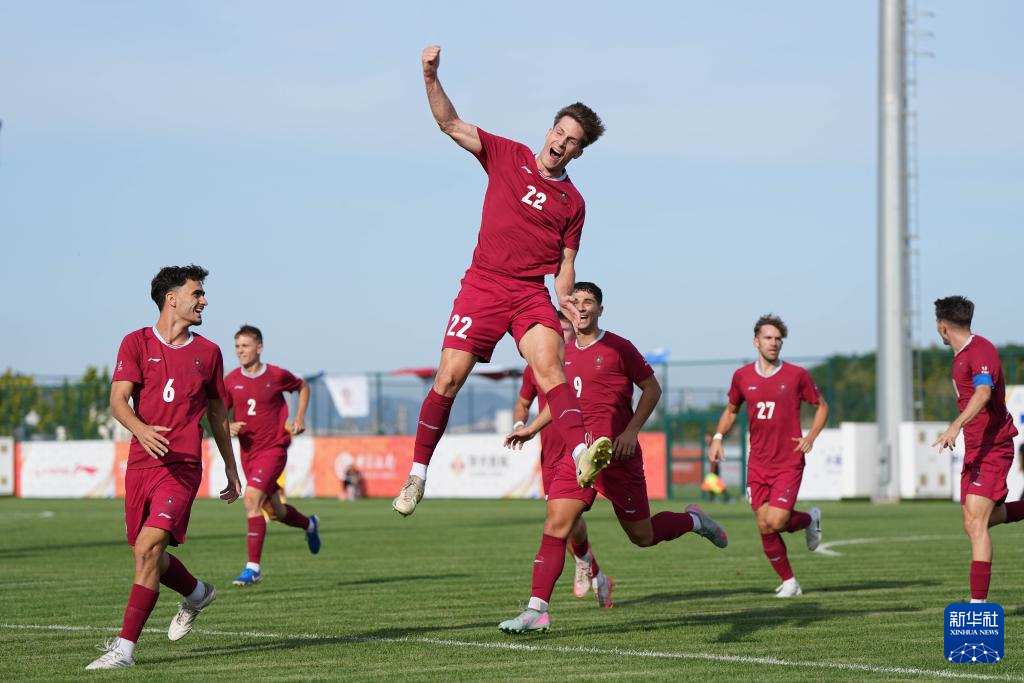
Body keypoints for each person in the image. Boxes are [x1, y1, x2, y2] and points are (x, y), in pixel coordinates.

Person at [392, 45, 613, 516]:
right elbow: (450, 123)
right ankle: (417, 475)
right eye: (559, 132)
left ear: (579, 151)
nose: (561, 143)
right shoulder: (506, 154)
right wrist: (430, 76)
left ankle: (582, 454)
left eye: (572, 141)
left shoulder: (573, 203)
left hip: (529, 294)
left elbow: (567, 262)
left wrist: (565, 297)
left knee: (551, 368)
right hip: (484, 286)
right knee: (449, 377)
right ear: (549, 131)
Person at [500, 283, 728, 632]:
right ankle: (537, 610)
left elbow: (652, 388)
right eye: (575, 302)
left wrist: (631, 431)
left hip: (618, 455)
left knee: (643, 536)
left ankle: (695, 521)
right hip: (579, 456)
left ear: (600, 310)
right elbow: (560, 400)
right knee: (556, 526)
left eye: (588, 302)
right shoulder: (560, 354)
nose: (581, 307)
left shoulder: (619, 347)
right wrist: (531, 428)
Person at [88, 265, 240, 669]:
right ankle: (197, 593)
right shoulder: (135, 342)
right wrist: (140, 430)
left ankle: (124, 650)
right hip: (141, 465)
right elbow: (118, 401)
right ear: (171, 298)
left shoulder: (209, 353)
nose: (204, 300)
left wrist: (230, 466)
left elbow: (217, 413)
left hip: (182, 466)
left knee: (148, 548)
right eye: (197, 293)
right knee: (146, 555)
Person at [709, 314, 828, 598]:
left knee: (776, 521)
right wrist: (718, 438)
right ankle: (790, 582)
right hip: (758, 463)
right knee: (764, 525)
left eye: (778, 339)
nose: (773, 343)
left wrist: (810, 437)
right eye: (768, 338)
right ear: (756, 342)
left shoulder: (796, 375)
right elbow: (731, 410)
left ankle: (809, 519)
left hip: (788, 461)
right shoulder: (742, 376)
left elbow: (822, 406)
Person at [932, 296, 1023, 603]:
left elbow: (983, 392)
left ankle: (978, 605)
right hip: (976, 450)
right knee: (979, 520)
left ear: (943, 326)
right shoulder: (961, 356)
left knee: (976, 522)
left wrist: (955, 425)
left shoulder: (980, 350)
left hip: (994, 447)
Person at [514, 312, 606, 601]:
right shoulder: (537, 365)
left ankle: (584, 562)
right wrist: (519, 424)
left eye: (565, 328)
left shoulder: (584, 361)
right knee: (561, 521)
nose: (562, 334)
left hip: (579, 447)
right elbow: (523, 402)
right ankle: (592, 568)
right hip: (551, 453)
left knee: (565, 518)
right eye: (557, 329)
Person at [225, 325, 320, 587]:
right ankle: (310, 524)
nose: (240, 351)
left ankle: (253, 568)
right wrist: (227, 425)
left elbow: (303, 386)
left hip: (274, 449)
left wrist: (299, 417)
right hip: (248, 453)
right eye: (237, 347)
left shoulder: (276, 375)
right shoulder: (231, 380)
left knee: (251, 500)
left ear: (259, 348)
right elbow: (218, 411)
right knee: (275, 512)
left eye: (245, 346)